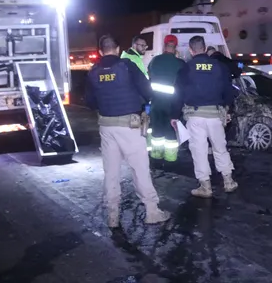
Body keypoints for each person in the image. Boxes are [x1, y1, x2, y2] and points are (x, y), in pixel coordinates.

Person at [85, 34, 171, 227]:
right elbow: (148, 92)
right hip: (130, 125)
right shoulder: (128, 66)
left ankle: (113, 216)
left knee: (111, 172)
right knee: (139, 168)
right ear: (117, 49)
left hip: (106, 126)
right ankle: (152, 211)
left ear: (100, 51)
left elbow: (90, 102)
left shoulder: (93, 71)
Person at [172, 35, 238, 198]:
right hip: (215, 114)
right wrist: (227, 110)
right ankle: (228, 181)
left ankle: (205, 186)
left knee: (199, 150)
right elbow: (229, 91)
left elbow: (177, 94)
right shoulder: (219, 66)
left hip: (194, 116)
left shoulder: (186, 68)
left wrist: (174, 115)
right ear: (205, 48)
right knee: (220, 148)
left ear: (191, 50)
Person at [146, 34, 186, 162]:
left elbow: (149, 76)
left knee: (157, 132)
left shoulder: (155, 61)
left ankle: (156, 156)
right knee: (171, 133)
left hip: (156, 103)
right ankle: (170, 158)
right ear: (175, 47)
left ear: (164, 46)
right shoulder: (180, 63)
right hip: (172, 105)